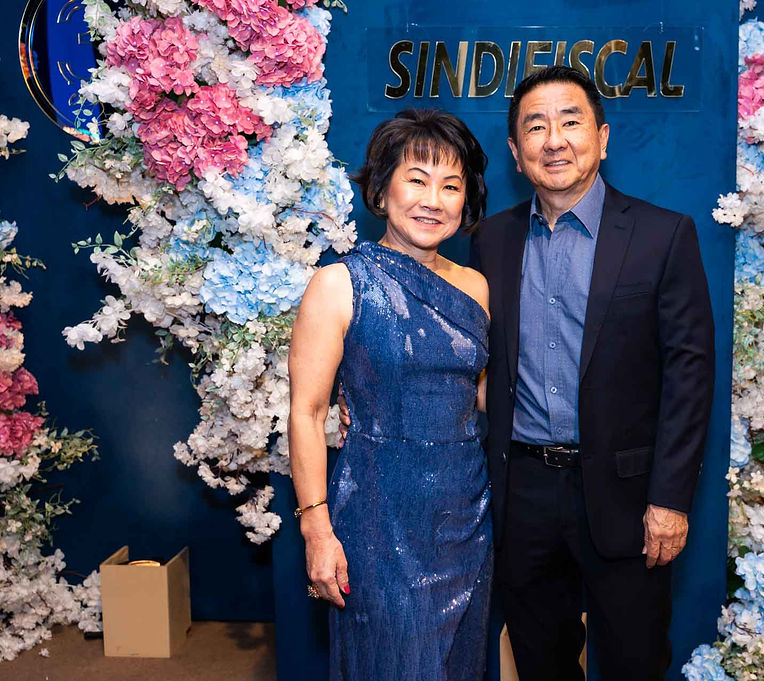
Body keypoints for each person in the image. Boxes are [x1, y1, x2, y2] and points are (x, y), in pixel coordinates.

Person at [469, 65, 715, 680]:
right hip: (522, 493)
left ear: (602, 138)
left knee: (635, 662)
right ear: (515, 151)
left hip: (627, 496)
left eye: (571, 121)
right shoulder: (490, 241)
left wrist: (669, 499)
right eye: (535, 127)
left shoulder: (663, 235)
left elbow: (690, 377)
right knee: (540, 663)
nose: (554, 140)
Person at [288, 108, 491, 681]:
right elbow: (307, 413)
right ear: (381, 189)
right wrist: (316, 530)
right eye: (417, 180)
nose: (433, 200)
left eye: (451, 186)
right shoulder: (339, 283)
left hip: (467, 512)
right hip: (378, 517)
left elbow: (478, 394)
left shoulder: (475, 286)